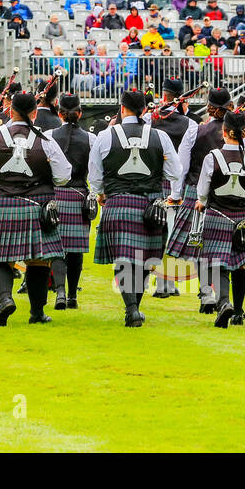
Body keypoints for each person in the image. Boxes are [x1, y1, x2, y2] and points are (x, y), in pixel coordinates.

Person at [0, 91, 71, 326]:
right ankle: (37, 313)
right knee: (38, 260)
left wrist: (1, 187)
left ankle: (5, 299)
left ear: (11, 111)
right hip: (35, 206)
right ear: (34, 114)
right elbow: (64, 176)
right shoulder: (45, 141)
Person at [89, 89, 183, 327]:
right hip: (150, 205)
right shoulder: (159, 137)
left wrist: (101, 193)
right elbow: (175, 172)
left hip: (118, 203)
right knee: (144, 260)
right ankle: (134, 308)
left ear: (122, 109)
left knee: (123, 259)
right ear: (144, 110)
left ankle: (132, 309)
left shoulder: (105, 135)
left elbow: (95, 174)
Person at [189, 111, 245, 326]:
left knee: (217, 264)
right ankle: (239, 312)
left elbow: (202, 192)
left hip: (217, 215)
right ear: (244, 134)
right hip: (243, 219)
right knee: (240, 265)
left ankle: (223, 303)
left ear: (224, 133)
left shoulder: (212, 158)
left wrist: (202, 201)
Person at [144, 78, 198, 298]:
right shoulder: (190, 124)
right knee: (172, 233)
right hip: (176, 182)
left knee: (154, 232)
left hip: (153, 181)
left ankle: (150, 278)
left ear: (162, 95)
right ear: (181, 99)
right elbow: (187, 160)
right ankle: (165, 281)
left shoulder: (148, 118)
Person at [49, 94, 95, 310]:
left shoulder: (48, 136)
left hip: (55, 195)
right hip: (78, 195)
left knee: (56, 246)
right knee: (75, 249)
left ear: (59, 114)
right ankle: (72, 296)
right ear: (80, 113)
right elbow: (95, 171)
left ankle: (59, 291)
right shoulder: (90, 139)